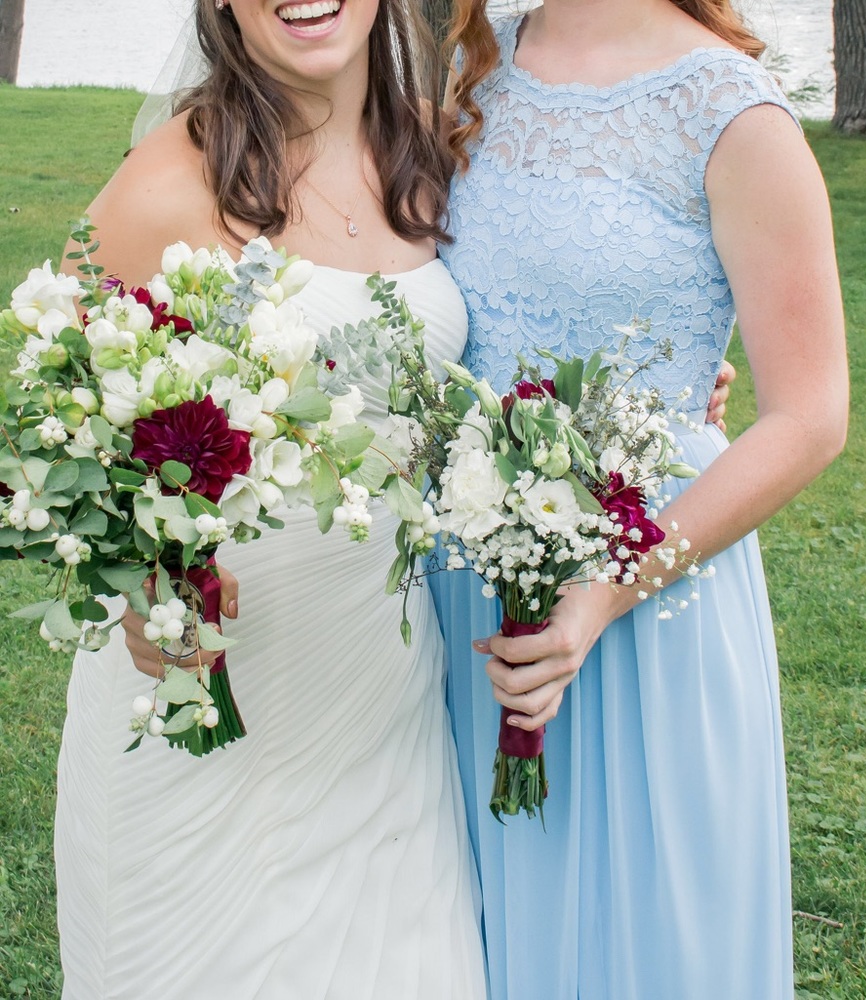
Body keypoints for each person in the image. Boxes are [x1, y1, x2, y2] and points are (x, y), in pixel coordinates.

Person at [53, 2, 490, 997]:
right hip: (207, 706)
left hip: (379, 706)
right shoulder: (170, 182)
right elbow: (49, 411)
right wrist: (138, 582)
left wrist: (687, 390)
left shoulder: (435, 148)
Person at [429, 1, 849, 998]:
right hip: (468, 587)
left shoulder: (735, 115)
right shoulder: (474, 60)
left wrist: (607, 589)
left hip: (644, 588)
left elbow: (811, 417)